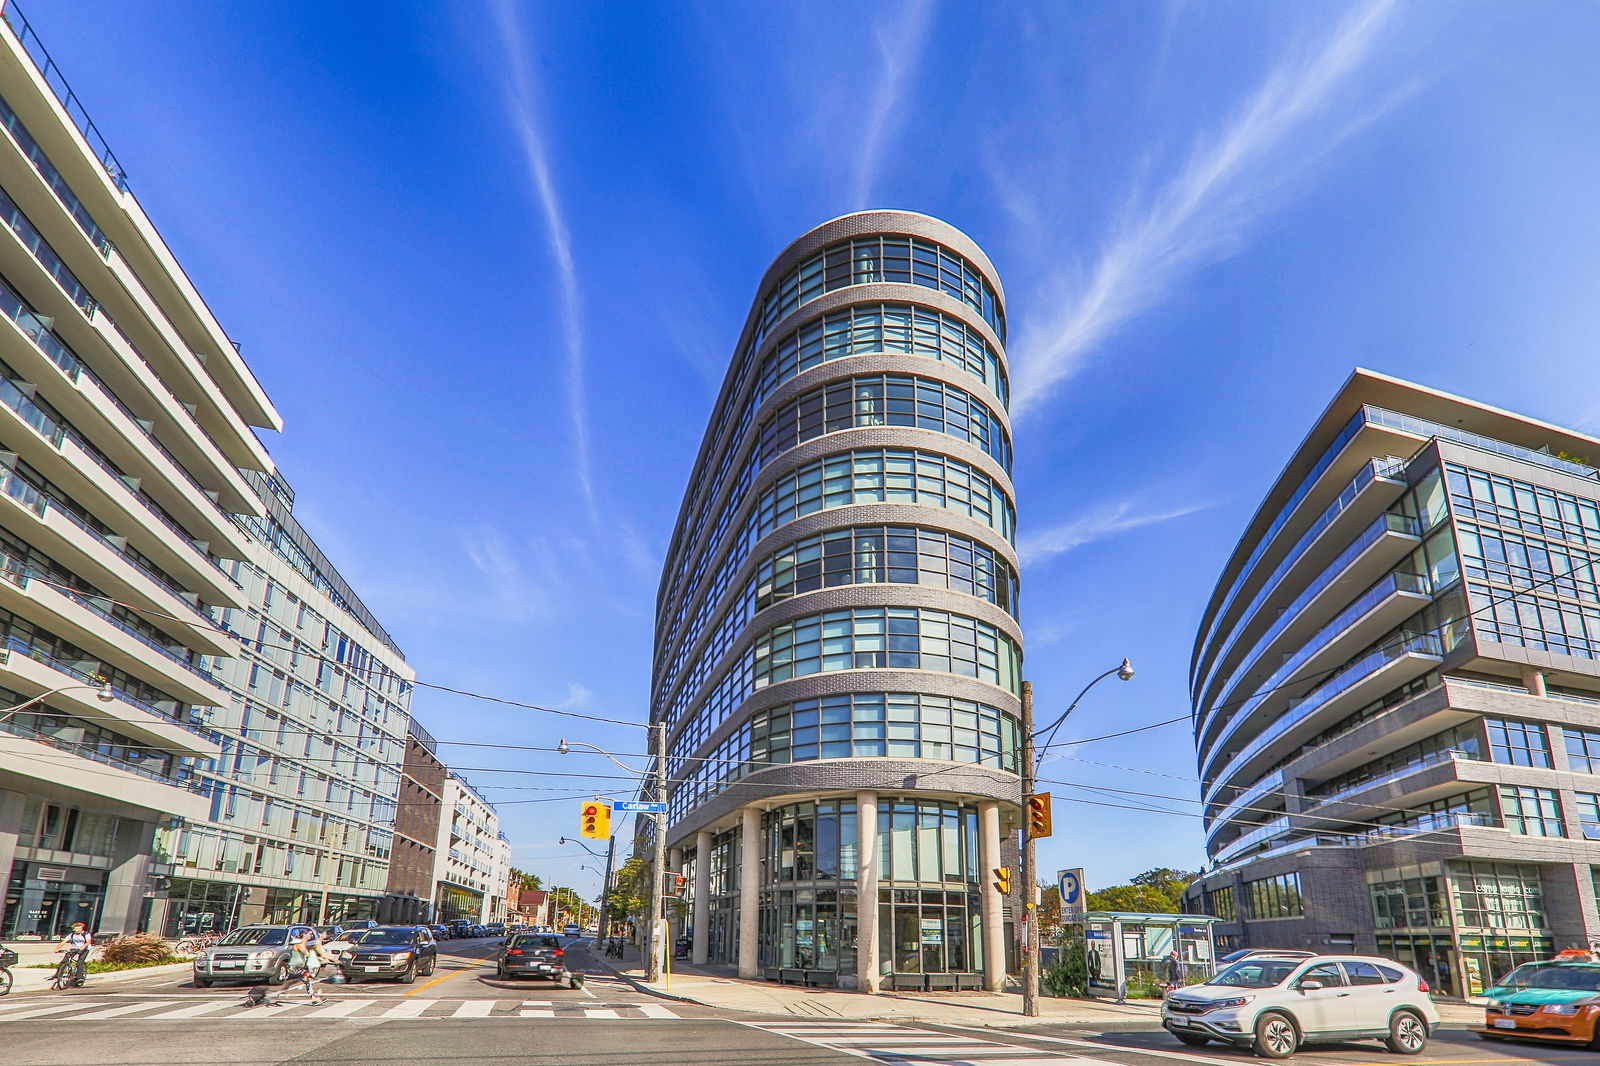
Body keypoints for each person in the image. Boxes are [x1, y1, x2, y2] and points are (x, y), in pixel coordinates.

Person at [289, 927, 333, 1004]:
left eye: (311, 933)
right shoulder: (299, 944)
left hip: (299, 967)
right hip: (293, 968)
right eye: (309, 934)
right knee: (308, 979)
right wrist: (322, 959)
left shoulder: (304, 944)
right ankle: (314, 998)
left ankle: (314, 998)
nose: (311, 935)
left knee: (308, 980)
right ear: (304, 934)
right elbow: (308, 954)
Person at [53, 922, 93, 988]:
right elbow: (63, 942)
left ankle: (79, 978)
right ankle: (58, 975)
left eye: (80, 928)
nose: (78, 930)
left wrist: (83, 947)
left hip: (85, 948)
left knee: (80, 962)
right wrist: (57, 948)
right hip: (74, 948)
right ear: (74, 929)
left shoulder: (86, 934)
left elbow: (88, 941)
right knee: (65, 960)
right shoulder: (71, 935)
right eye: (76, 928)